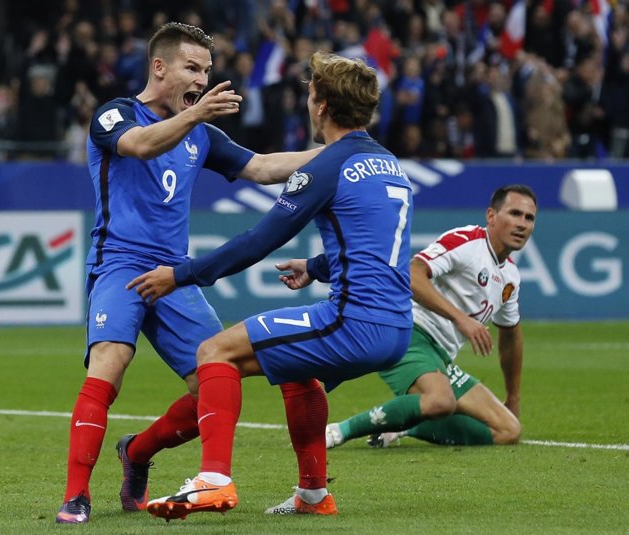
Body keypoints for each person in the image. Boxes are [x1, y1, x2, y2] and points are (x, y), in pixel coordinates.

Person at [55, 22, 324, 524]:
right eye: (192, 68)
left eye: (207, 70)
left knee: (217, 383)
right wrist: (198, 112)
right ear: (160, 67)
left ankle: (135, 453)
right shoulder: (115, 114)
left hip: (174, 276)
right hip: (120, 266)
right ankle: (76, 495)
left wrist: (335, 154)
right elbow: (140, 146)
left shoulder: (201, 133)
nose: (202, 79)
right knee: (108, 365)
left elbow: (264, 167)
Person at [127, 51, 414, 520]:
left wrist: (179, 274)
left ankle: (212, 480)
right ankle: (314, 495)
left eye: (309, 93)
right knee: (297, 369)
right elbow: (377, 248)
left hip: (352, 323)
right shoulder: (389, 164)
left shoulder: (326, 165)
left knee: (215, 352)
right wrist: (317, 267)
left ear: (320, 106)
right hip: (396, 327)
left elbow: (257, 242)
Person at [324, 184, 537, 450]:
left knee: (508, 430)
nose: (522, 224)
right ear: (491, 216)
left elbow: (510, 337)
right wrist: (461, 318)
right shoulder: (467, 243)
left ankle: (404, 426)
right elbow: (412, 275)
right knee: (440, 400)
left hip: (441, 358)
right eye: (515, 214)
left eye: (529, 218)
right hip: (405, 334)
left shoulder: (511, 278)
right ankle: (338, 431)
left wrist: (513, 398)